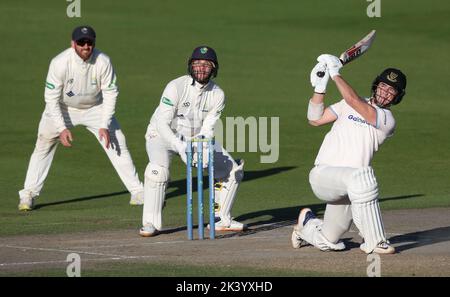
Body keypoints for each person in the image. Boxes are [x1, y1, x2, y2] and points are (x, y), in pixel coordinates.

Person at [18, 26, 144, 211]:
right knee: (43, 144)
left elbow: (111, 93)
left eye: (89, 42)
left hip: (95, 108)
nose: (86, 46)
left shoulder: (103, 61)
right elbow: (51, 99)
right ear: (73, 44)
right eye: (81, 42)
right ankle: (28, 195)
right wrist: (61, 128)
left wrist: (104, 125)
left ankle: (138, 192)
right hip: (63, 107)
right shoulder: (60, 63)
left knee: (117, 141)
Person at [291, 54, 407, 254]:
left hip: (350, 189)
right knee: (363, 175)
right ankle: (376, 240)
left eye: (391, 91)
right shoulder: (348, 104)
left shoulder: (387, 120)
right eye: (383, 86)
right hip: (324, 176)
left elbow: (353, 101)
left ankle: (306, 225)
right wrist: (320, 87)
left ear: (397, 97)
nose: (386, 92)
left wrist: (335, 73)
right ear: (376, 85)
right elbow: (314, 119)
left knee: (330, 240)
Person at [140, 46, 245, 237]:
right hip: (161, 135)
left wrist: (201, 146)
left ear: (214, 69)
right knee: (158, 171)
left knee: (231, 169)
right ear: (190, 66)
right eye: (197, 64)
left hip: (194, 138)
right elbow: (162, 123)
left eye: (206, 65)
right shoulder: (176, 86)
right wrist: (180, 147)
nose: (201, 68)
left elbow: (207, 129)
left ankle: (221, 218)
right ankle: (150, 223)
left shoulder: (218, 94)